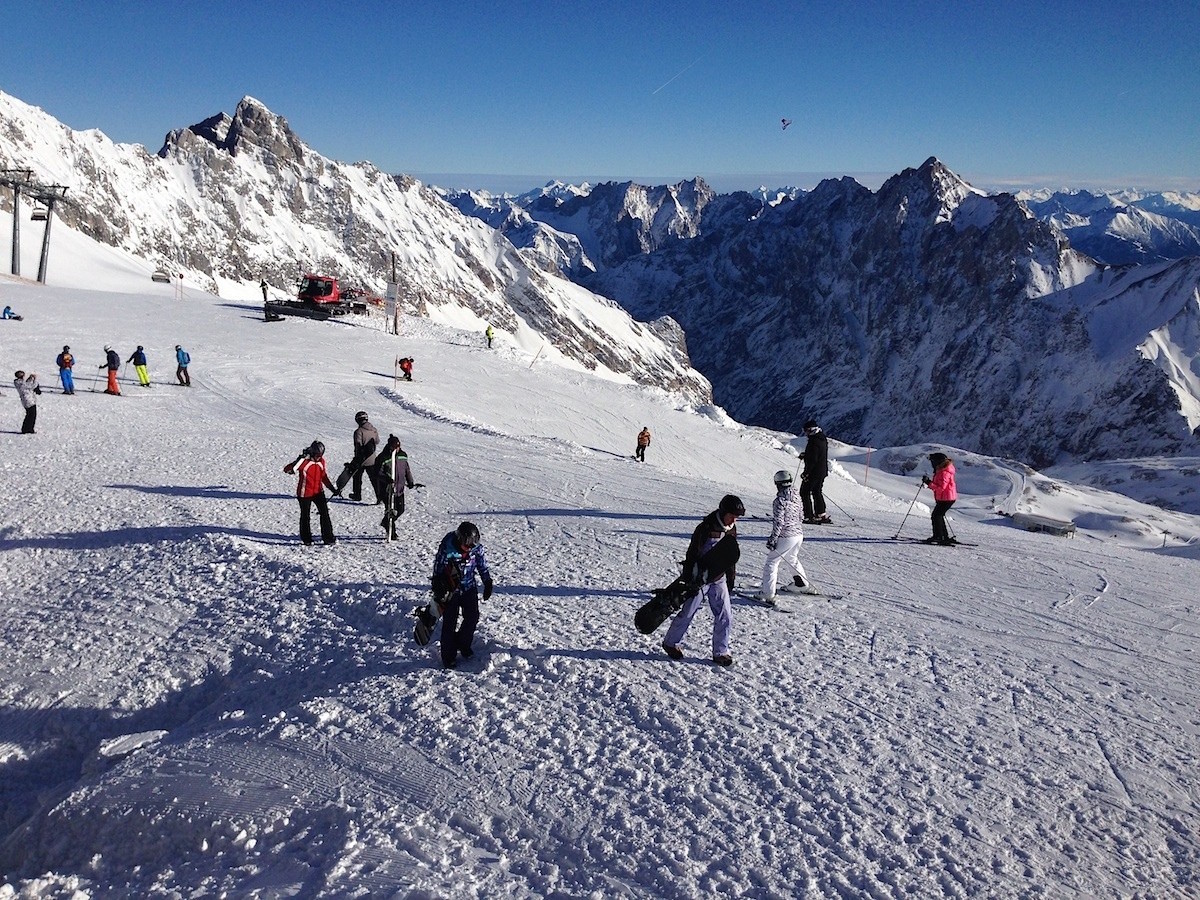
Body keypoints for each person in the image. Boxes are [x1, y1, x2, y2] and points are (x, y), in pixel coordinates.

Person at [662, 494, 744, 666]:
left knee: (725, 615)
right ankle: (670, 643)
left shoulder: (732, 528)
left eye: (736, 516)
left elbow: (730, 556)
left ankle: (720, 652)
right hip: (700, 579)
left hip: (719, 578)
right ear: (723, 512)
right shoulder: (706, 527)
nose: (734, 519)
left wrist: (730, 580)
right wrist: (691, 578)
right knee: (688, 612)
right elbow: (692, 554)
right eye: (732, 515)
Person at [432, 521, 493, 669]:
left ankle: (463, 643)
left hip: (469, 587)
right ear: (460, 540)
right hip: (451, 590)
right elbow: (438, 569)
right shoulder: (447, 547)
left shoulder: (476, 549)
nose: (471, 546)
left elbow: (482, 565)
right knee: (450, 622)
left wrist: (487, 582)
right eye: (468, 543)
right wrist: (438, 587)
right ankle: (448, 656)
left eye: (473, 543)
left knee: (472, 617)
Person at [758, 470, 809, 604]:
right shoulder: (797, 496)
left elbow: (779, 522)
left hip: (786, 536)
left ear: (777, 483)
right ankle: (801, 584)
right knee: (791, 558)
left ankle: (768, 593)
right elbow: (801, 516)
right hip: (798, 534)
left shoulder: (779, 501)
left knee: (772, 562)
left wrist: (773, 539)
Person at [283, 440, 337, 545]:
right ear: (312, 453)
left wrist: (332, 488)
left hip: (318, 492)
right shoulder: (304, 462)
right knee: (305, 515)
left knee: (325, 514)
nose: (319, 457)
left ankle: (328, 537)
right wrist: (297, 461)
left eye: (321, 455)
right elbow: (287, 469)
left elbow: (323, 477)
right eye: (317, 455)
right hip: (304, 494)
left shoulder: (321, 461)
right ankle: (306, 539)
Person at [376, 434, 416, 539]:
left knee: (400, 509)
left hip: (400, 488)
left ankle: (385, 522)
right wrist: (386, 479)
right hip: (387, 490)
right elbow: (377, 473)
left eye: (398, 447)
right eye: (394, 447)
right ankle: (391, 532)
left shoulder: (403, 455)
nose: (396, 449)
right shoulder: (383, 457)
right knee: (390, 510)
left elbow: (407, 470)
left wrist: (410, 481)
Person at [922, 452, 958, 545]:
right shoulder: (942, 470)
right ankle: (943, 536)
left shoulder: (944, 472)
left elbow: (941, 488)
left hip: (946, 498)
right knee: (938, 516)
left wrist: (929, 483)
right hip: (947, 498)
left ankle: (939, 536)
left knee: (936, 516)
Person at [800, 419, 831, 524]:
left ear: (811, 430)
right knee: (817, 491)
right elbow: (817, 454)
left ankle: (809, 516)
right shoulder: (821, 438)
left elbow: (813, 460)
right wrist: (806, 455)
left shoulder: (814, 441)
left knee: (804, 492)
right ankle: (821, 514)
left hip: (814, 472)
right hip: (822, 471)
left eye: (806, 431)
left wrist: (806, 473)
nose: (806, 434)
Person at [347, 411, 381, 502]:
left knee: (357, 477)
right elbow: (377, 441)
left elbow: (358, 445)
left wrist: (357, 459)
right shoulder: (374, 429)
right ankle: (380, 497)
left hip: (361, 459)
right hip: (372, 458)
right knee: (374, 479)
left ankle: (357, 495)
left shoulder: (358, 431)